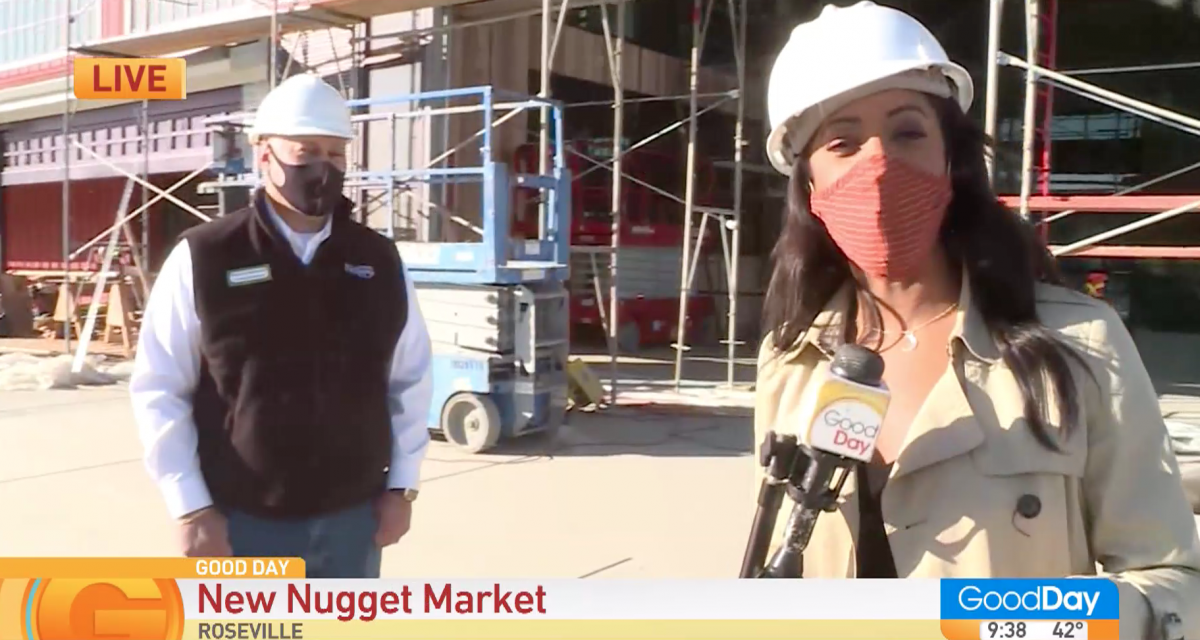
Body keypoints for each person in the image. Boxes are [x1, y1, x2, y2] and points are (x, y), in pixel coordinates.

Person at [753, 3, 1200, 639]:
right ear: (809, 184)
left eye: (907, 132)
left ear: (952, 161)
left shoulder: (1081, 345)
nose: (878, 165)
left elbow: (1172, 576)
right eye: (843, 142)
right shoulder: (789, 360)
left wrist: (1060, 624)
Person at [130, 74, 432, 578]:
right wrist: (189, 503)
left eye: (336, 154)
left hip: (352, 523)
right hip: (241, 522)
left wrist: (402, 487)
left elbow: (411, 379)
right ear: (263, 154)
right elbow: (160, 386)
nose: (322, 167)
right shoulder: (205, 256)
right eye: (305, 150)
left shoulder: (378, 260)